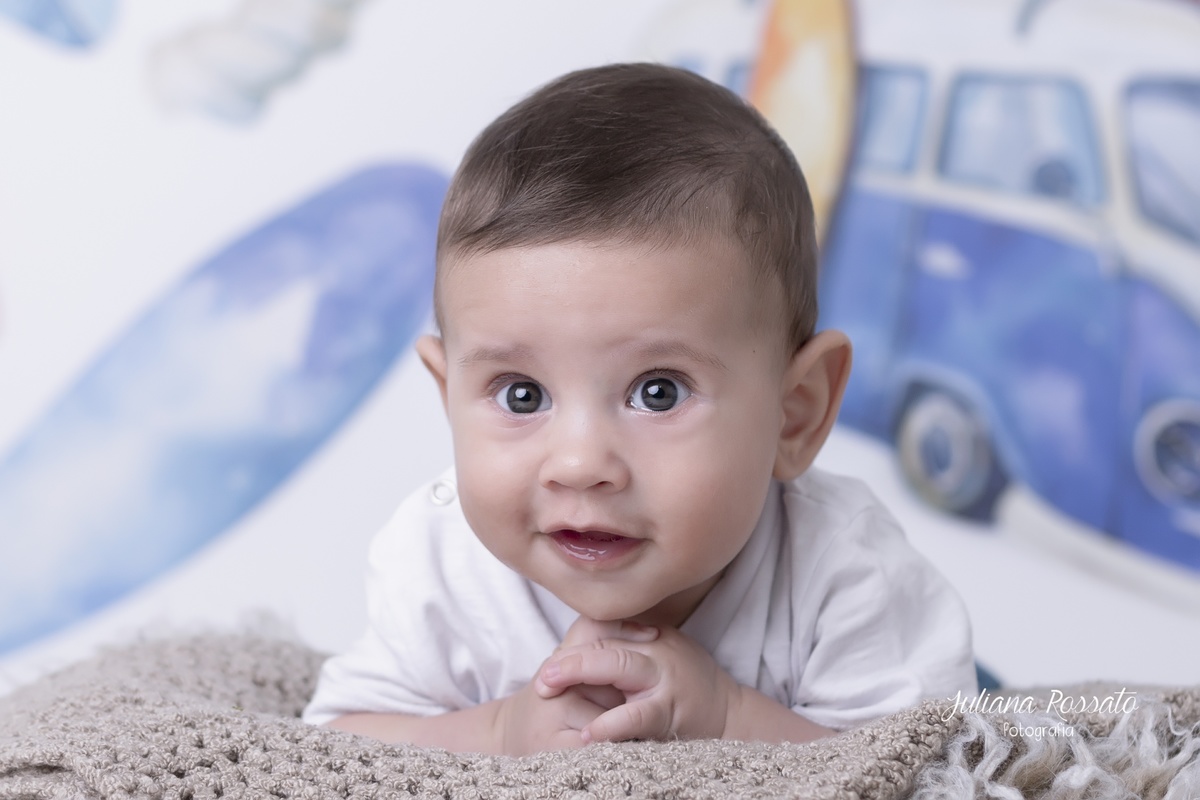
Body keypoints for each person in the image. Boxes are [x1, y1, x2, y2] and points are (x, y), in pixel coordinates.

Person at [303, 62, 976, 755]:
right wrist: (501, 731)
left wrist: (727, 717)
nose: (581, 464)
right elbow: (334, 746)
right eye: (521, 395)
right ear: (448, 398)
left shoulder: (844, 570)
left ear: (795, 413)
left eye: (659, 392)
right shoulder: (438, 564)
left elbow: (931, 766)